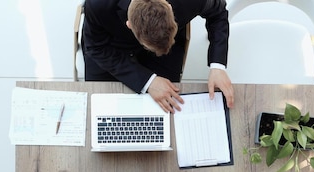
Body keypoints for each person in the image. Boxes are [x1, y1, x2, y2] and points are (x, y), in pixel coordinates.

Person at [82, 0, 234, 113]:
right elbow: (96, 47)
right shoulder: (98, 4)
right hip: (109, 48)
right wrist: (148, 81)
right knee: (98, 108)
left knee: (169, 109)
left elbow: (219, 13)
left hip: (167, 49)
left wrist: (217, 66)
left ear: (170, 8)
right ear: (129, 24)